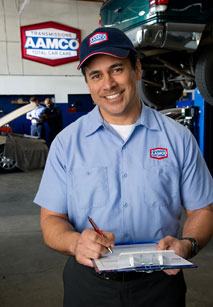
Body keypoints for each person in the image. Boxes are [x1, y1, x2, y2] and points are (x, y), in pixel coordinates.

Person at [34, 27, 213, 307]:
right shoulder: (66, 144)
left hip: (161, 285)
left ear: (137, 70)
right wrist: (75, 242)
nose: (108, 84)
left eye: (116, 69)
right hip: (89, 286)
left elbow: (202, 209)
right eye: (96, 75)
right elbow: (51, 220)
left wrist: (187, 244)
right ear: (88, 83)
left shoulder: (178, 139)